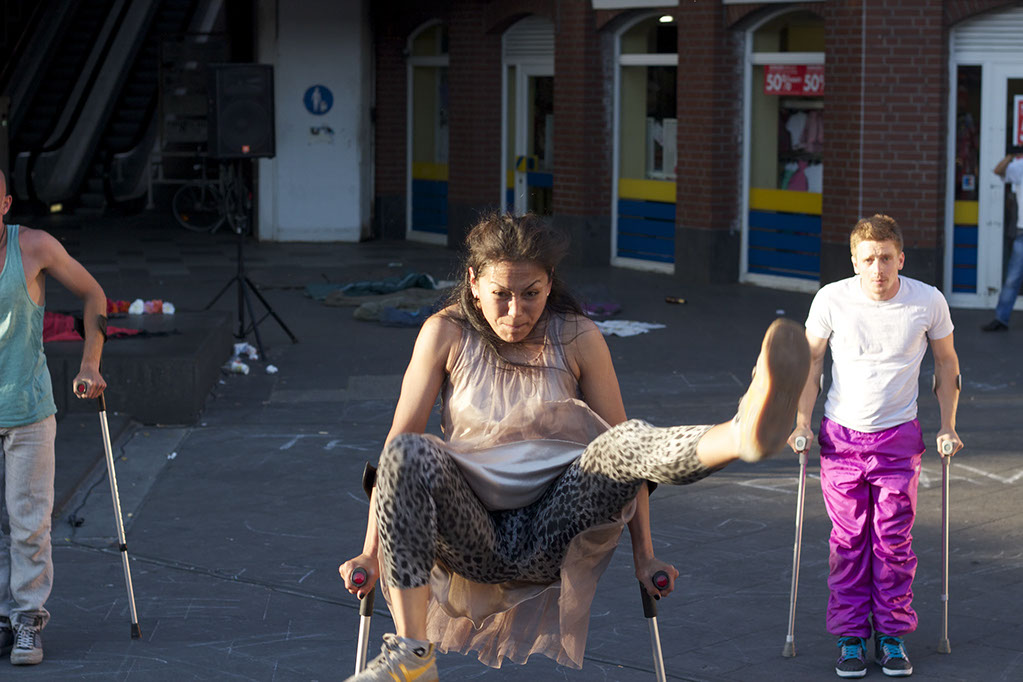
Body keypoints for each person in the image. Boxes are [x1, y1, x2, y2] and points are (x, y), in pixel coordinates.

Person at [338, 212, 811, 681]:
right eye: (501, 294)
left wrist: (645, 555)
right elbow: (396, 448)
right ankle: (413, 656)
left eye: (531, 293)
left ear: (549, 283)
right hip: (472, 531)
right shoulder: (446, 333)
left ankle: (740, 434)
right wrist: (371, 552)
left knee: (620, 442)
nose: (516, 312)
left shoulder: (579, 336)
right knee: (409, 450)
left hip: (556, 523)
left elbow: (632, 453)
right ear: (474, 282)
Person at [787, 214, 962, 679]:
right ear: (854, 262)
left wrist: (948, 425)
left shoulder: (927, 301)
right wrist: (801, 421)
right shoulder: (831, 299)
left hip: (898, 438)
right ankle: (850, 636)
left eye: (886, 258)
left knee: (892, 541)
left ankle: (890, 634)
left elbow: (946, 363)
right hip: (842, 437)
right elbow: (811, 362)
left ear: (901, 258)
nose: (878, 269)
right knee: (848, 542)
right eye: (868, 260)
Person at [0, 168, 108, 666]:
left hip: (27, 410)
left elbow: (93, 294)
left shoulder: (34, 246)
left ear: (5, 204)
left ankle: (27, 618)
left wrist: (90, 364)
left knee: (28, 525)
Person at [981, 147, 1023, 331]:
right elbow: (998, 170)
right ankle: (1001, 318)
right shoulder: (1021, 167)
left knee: (1013, 278)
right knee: (1013, 279)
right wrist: (1011, 155)